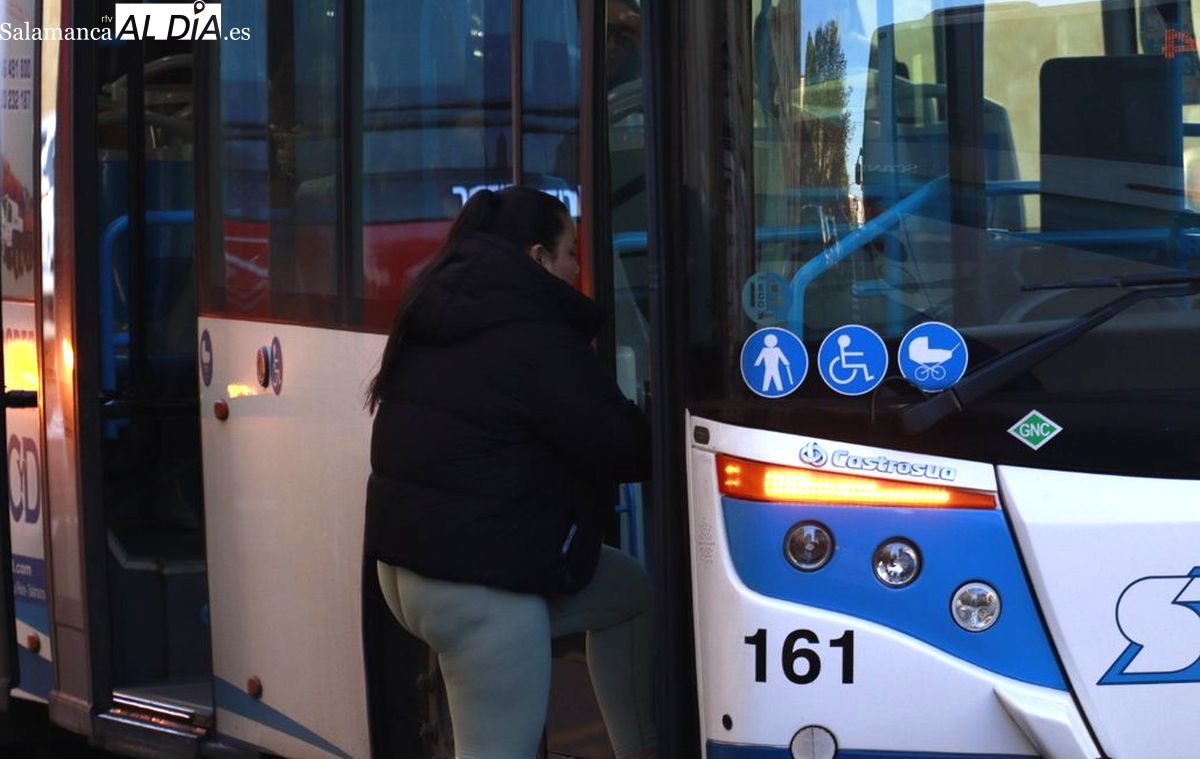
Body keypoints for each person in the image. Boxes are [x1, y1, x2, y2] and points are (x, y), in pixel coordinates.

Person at [364, 185, 657, 759]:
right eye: (570, 250)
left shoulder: (437, 307)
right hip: (479, 584)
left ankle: (641, 749)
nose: (578, 266)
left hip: (408, 573)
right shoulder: (535, 333)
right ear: (537, 257)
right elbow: (623, 446)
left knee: (629, 593)